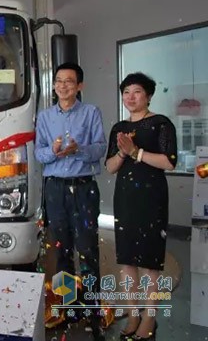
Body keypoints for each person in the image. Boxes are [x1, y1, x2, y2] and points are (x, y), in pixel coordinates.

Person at [34, 62, 107, 340]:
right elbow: (39, 153)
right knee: (61, 250)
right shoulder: (44, 116)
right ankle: (66, 307)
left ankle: (92, 311)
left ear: (79, 86)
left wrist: (79, 150)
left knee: (88, 250)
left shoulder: (91, 112)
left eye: (69, 81)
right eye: (59, 81)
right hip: (55, 189)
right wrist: (52, 152)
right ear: (54, 85)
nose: (63, 86)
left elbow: (100, 148)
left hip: (84, 188)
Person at [105, 73, 176, 340]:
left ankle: (150, 317)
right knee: (127, 260)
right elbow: (110, 167)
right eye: (126, 92)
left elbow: (169, 162)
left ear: (148, 95)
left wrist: (137, 152)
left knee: (149, 262)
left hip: (152, 198)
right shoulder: (119, 128)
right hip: (125, 198)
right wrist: (123, 152)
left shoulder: (161, 123)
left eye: (136, 92)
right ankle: (133, 313)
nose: (130, 97)